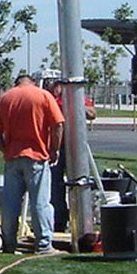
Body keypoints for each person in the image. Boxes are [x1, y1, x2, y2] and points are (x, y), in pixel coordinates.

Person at [0, 74, 65, 254]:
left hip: (13, 158)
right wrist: (55, 149)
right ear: (32, 82)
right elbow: (58, 124)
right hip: (37, 157)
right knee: (40, 203)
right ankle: (44, 244)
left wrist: (5, 149)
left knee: (10, 203)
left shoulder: (4, 99)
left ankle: (8, 243)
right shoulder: (43, 96)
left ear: (16, 83)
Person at [47, 82, 96, 232]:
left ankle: (83, 220)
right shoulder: (49, 98)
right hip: (56, 146)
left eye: (59, 83)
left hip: (76, 146)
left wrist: (76, 105)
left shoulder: (77, 97)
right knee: (55, 184)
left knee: (80, 181)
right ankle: (59, 220)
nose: (56, 87)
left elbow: (92, 114)